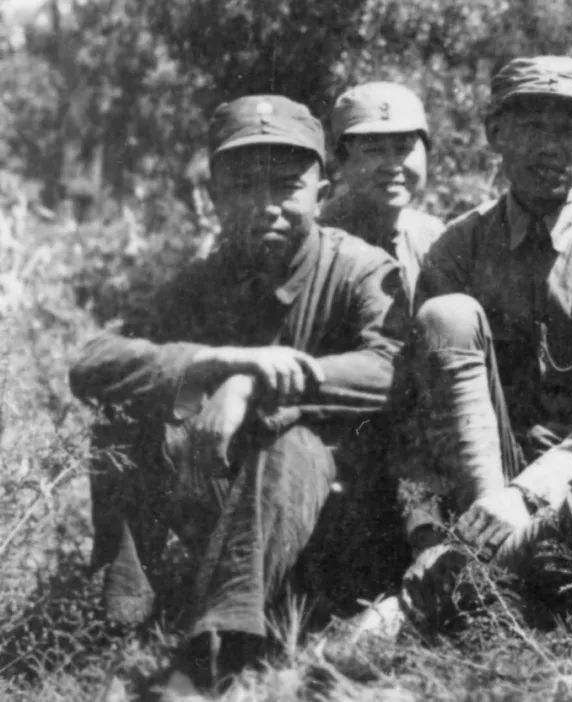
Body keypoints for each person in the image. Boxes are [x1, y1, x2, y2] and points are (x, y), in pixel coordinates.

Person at [69, 95, 410, 694]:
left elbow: (391, 368)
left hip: (340, 529)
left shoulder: (359, 270)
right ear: (214, 198)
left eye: (287, 186)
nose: (266, 206)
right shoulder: (205, 280)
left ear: (322, 192)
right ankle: (121, 614)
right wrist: (215, 363)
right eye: (243, 187)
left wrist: (256, 386)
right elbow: (93, 363)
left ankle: (213, 656)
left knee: (291, 442)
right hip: (237, 511)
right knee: (126, 410)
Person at [381, 55, 572, 626]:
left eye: (569, 131)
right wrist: (425, 529)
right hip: (481, 478)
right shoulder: (459, 247)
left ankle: (460, 585)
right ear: (496, 134)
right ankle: (498, 573)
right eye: (531, 128)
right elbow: (419, 414)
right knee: (446, 315)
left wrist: (527, 494)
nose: (549, 148)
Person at [321, 82, 443, 307]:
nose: (392, 165)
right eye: (374, 150)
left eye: (403, 149)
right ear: (342, 161)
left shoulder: (435, 238)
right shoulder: (320, 241)